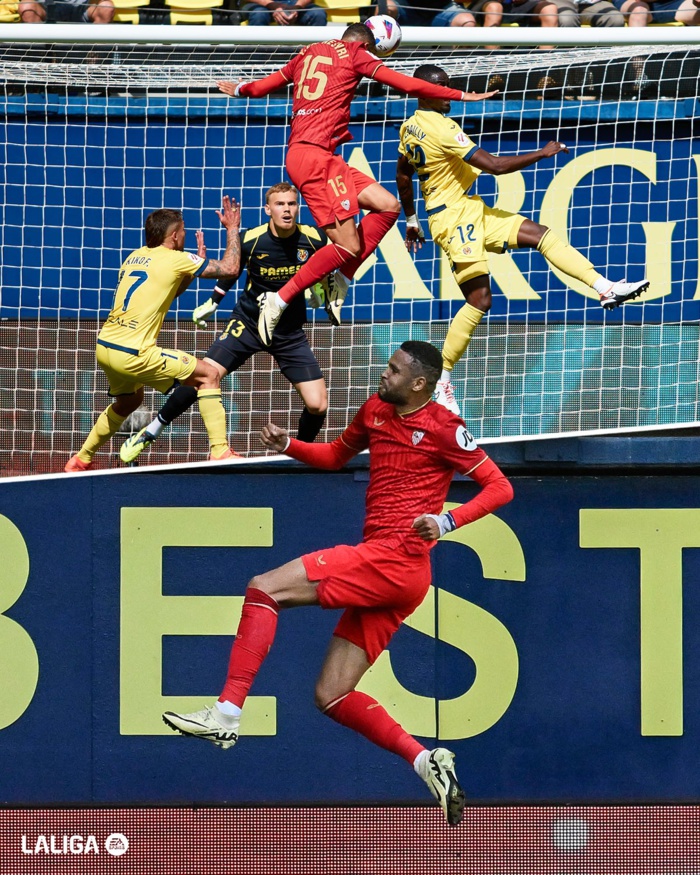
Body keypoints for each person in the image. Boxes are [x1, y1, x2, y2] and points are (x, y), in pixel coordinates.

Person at [161, 340, 514, 826]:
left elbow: (501, 487)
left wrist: (448, 522)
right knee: (332, 695)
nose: (382, 375)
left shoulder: (444, 428)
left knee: (264, 587)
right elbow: (334, 455)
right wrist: (290, 446)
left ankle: (226, 713)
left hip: (394, 558)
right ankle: (423, 760)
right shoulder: (375, 409)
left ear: (418, 384)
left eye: (393, 371)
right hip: (399, 574)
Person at [217, 23, 496, 347]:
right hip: (315, 159)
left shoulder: (308, 52)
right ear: (373, 44)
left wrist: (239, 89)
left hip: (319, 156)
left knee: (388, 205)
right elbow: (406, 83)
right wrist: (462, 95)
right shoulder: (354, 55)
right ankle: (279, 299)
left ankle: (339, 279)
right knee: (347, 244)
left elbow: (262, 87)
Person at [396, 64, 649, 414]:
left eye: (450, 86)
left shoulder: (409, 126)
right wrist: (542, 154)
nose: (450, 94)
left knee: (541, 234)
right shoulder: (442, 128)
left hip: (469, 209)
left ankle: (605, 287)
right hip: (452, 219)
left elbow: (403, 174)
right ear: (424, 92)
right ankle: (442, 379)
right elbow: (495, 166)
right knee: (480, 300)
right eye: (442, 88)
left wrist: (411, 219)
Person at [119, 183, 330, 464]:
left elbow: (332, 261)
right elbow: (232, 272)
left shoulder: (314, 238)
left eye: (292, 204)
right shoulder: (252, 239)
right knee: (204, 375)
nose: (287, 210)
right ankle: (151, 430)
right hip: (249, 325)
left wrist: (326, 288)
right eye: (280, 204)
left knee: (318, 404)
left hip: (288, 331)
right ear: (268, 209)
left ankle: (301, 454)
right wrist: (213, 303)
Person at [65, 197, 241, 473]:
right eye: (183, 230)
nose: (184, 234)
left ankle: (81, 459)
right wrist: (232, 228)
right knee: (209, 375)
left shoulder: (134, 256)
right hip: (134, 352)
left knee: (130, 401)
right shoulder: (176, 258)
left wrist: (191, 270)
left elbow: (171, 289)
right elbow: (230, 268)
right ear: (174, 235)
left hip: (106, 346)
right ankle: (220, 451)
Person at [241, 0, 327, 25]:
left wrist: (297, 7)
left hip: (296, 3)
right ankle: (255, 60)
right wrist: (273, 5)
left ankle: (314, 57)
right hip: (260, 4)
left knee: (318, 14)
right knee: (259, 15)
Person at [18, 0, 113, 22]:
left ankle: (93, 52)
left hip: (83, 8)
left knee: (107, 7)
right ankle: (42, 55)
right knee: (26, 7)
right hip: (45, 8)